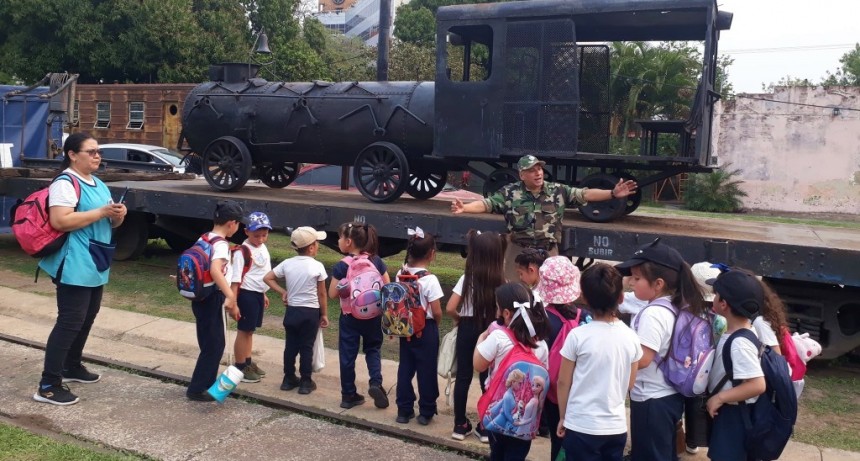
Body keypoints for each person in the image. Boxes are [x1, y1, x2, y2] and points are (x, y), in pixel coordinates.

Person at [33, 132, 127, 406]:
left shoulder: (98, 183)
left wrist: (118, 216)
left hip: (95, 260)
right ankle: (48, 385)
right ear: (73, 155)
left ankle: (71, 365)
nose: (97, 155)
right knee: (70, 321)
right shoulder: (65, 183)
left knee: (87, 317)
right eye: (91, 151)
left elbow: (108, 224)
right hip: (74, 261)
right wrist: (101, 213)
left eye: (98, 151)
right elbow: (60, 221)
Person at [451, 154, 637, 281]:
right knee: (515, 292)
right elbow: (487, 204)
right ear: (522, 175)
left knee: (549, 296)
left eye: (539, 168)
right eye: (532, 170)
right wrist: (465, 208)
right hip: (518, 251)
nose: (538, 173)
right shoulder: (510, 192)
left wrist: (612, 193)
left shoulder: (558, 190)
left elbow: (585, 194)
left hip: (548, 252)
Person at [615, 239, 707, 461]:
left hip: (651, 398)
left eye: (637, 278)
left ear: (658, 283)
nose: (630, 283)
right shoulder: (675, 305)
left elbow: (644, 359)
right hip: (667, 395)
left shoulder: (653, 314)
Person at [556, 263, 642, 461]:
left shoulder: (577, 336)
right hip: (615, 427)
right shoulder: (631, 338)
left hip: (580, 425)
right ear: (621, 298)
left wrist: (563, 417)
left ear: (584, 298)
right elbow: (629, 383)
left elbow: (563, 382)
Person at [474, 282, 550, 461]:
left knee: (497, 454)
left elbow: (479, 365)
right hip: (526, 422)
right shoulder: (541, 344)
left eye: (498, 308)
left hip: (498, 415)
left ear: (506, 313)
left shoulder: (498, 338)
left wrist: (481, 338)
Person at [445, 230, 506, 442]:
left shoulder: (466, 278)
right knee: (487, 378)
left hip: (468, 327)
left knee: (463, 376)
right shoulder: (501, 279)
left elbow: (451, 307)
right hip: (489, 331)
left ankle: (459, 425)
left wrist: (460, 318)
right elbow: (502, 312)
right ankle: (485, 426)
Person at [186, 200, 245, 402]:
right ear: (231, 223)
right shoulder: (220, 244)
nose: (238, 228)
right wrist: (230, 295)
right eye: (238, 224)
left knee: (208, 342)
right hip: (212, 297)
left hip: (200, 296)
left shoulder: (204, 237)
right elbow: (214, 270)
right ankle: (198, 389)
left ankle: (204, 383)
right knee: (214, 345)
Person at [705, 270, 767, 461]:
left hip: (734, 415)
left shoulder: (739, 343)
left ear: (723, 304)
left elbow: (757, 385)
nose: (713, 298)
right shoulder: (744, 332)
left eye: (716, 294)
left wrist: (719, 398)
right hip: (733, 412)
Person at [328, 221, 391, 410]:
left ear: (348, 242)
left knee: (348, 355)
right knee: (373, 349)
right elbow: (387, 287)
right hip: (373, 316)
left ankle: (348, 395)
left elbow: (332, 294)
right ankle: (375, 383)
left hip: (349, 317)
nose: (338, 241)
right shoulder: (376, 261)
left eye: (339, 238)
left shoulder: (342, 265)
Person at [264, 226, 329, 395]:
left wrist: (283, 292)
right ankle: (306, 381)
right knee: (307, 347)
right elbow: (321, 293)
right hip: (310, 313)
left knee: (290, 346)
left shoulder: (287, 263)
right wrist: (324, 314)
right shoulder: (317, 266)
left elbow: (267, 278)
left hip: (292, 311)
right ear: (311, 247)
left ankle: (288, 378)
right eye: (317, 243)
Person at [395, 228, 444, 426]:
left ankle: (403, 410)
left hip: (405, 328)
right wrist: (436, 324)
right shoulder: (430, 279)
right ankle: (426, 411)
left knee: (405, 368)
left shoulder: (400, 273)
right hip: (426, 329)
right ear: (432, 254)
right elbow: (437, 310)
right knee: (427, 369)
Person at [537, 255, 582, 461]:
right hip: (580, 391)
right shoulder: (585, 317)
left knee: (558, 439)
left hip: (554, 394)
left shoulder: (541, 320)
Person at [230, 211, 273, 383]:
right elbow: (236, 278)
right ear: (247, 231)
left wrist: (263, 293)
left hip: (257, 294)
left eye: (264, 235)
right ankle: (240, 366)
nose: (261, 239)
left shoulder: (262, 247)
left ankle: (248, 361)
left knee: (250, 331)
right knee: (244, 330)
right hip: (246, 294)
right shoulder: (243, 251)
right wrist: (233, 302)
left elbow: (262, 272)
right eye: (256, 236)